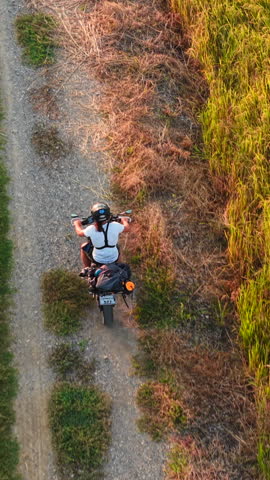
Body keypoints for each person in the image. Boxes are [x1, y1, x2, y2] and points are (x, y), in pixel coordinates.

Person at [73, 202, 130, 269]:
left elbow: (79, 233)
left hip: (98, 259)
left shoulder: (91, 229)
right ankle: (119, 266)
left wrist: (77, 224)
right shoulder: (115, 225)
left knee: (83, 246)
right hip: (114, 258)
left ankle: (87, 269)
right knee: (116, 246)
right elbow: (127, 228)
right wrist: (124, 220)